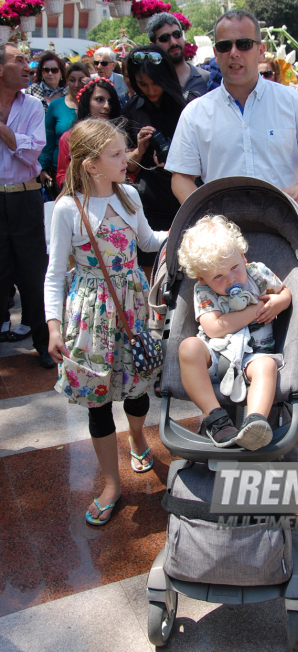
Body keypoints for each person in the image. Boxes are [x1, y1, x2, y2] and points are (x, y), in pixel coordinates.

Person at [44, 118, 167, 525]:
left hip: (132, 303)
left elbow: (147, 242)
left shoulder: (129, 194)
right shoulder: (68, 208)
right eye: (116, 154)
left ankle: (136, 437)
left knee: (136, 387)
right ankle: (111, 484)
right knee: (97, 401)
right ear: (92, 164)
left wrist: (185, 226)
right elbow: (54, 273)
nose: (126, 158)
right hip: (91, 312)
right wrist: (54, 325)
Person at [165, 9, 298, 206]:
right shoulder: (195, 113)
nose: (234, 53)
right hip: (222, 228)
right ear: (215, 53)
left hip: (282, 224)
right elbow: (181, 177)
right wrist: (204, 212)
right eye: (224, 46)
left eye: (244, 44)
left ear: (261, 50)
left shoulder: (291, 101)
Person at [177, 215, 292, 450]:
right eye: (218, 276)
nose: (230, 279)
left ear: (242, 257)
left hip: (254, 355)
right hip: (216, 354)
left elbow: (286, 292)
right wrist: (258, 308)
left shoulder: (258, 274)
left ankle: (256, 421)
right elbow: (214, 328)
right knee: (188, 347)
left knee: (267, 367)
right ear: (203, 278)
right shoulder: (204, 291)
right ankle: (216, 419)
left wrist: (280, 302)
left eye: (234, 268)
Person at [0, 42, 54, 369]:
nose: (27, 65)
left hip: (26, 199)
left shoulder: (33, 105)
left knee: (34, 278)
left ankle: (44, 345)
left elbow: (31, 152)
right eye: (18, 60)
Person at [123, 46, 191, 281]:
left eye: (155, 83)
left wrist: (177, 160)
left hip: (186, 196)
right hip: (149, 200)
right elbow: (127, 167)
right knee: (151, 269)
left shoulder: (188, 105)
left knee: (189, 263)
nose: (151, 90)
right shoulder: (131, 110)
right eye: (142, 84)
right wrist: (140, 150)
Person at [56, 77, 121, 188]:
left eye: (110, 101)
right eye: (99, 99)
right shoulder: (69, 137)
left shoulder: (119, 136)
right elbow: (61, 176)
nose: (106, 106)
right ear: (86, 102)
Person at [39, 62, 89, 197]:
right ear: (66, 81)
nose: (76, 84)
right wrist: (43, 168)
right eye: (72, 80)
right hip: (60, 169)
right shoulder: (56, 105)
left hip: (89, 170)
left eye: (81, 80)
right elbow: (48, 140)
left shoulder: (94, 105)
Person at [146, 12, 209, 95]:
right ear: (153, 46)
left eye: (177, 34)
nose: (173, 42)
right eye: (165, 38)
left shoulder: (207, 79)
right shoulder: (151, 85)